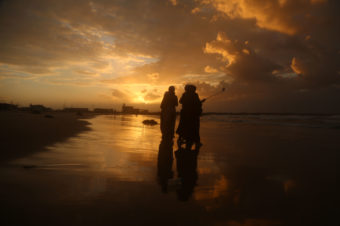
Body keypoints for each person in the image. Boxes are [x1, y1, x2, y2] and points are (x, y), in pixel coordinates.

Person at [176, 84, 202, 150]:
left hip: (185, 113)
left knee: (183, 126)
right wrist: (200, 102)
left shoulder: (185, 94)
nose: (195, 90)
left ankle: (181, 138)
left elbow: (180, 101)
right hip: (192, 114)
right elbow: (197, 104)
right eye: (194, 89)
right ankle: (196, 141)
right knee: (194, 127)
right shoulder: (195, 95)